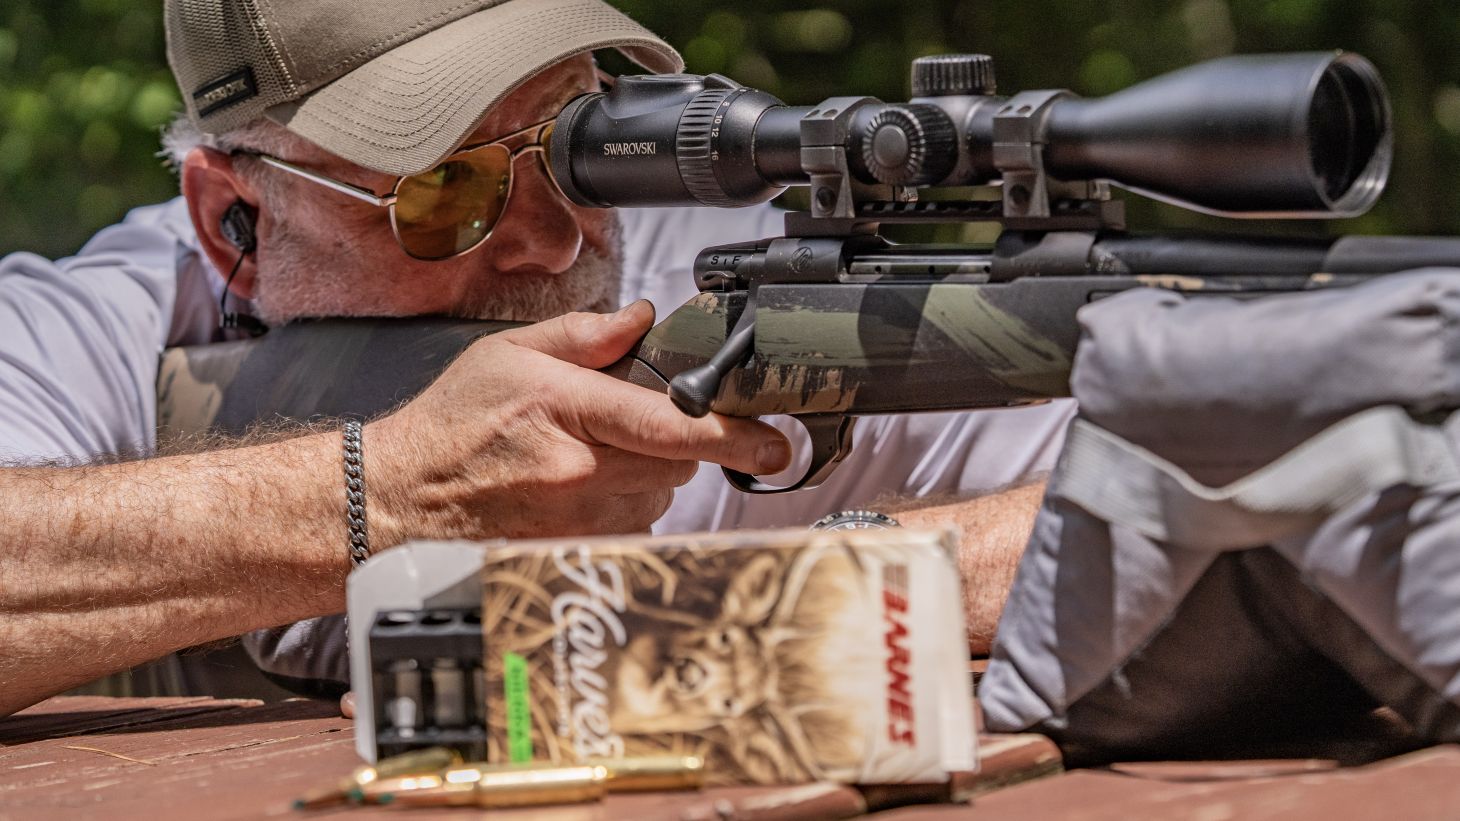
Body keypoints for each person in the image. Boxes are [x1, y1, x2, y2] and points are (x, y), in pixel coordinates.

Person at [0, 0, 1071, 711]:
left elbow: (1163, 488)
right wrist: (383, 498)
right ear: (232, 218)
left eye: (573, 148)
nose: (552, 239)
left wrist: (788, 589)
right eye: (443, 191)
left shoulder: (731, 274)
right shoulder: (117, 319)